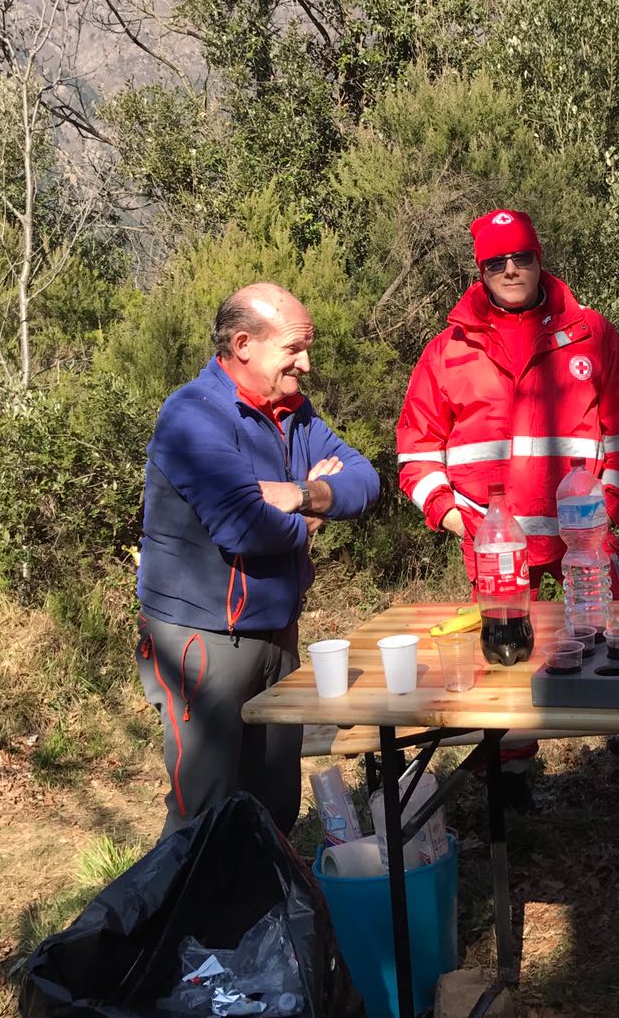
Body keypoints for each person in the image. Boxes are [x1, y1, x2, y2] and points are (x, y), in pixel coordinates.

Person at [397, 208, 619, 834]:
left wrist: (609, 508)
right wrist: (453, 516)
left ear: (539, 256)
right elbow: (417, 451)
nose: (511, 270)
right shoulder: (448, 350)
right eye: (497, 261)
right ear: (481, 268)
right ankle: (508, 787)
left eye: (521, 256)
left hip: (586, 539)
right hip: (496, 546)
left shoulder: (590, 333)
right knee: (504, 663)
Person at [137, 282, 380, 838]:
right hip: (202, 642)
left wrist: (299, 495)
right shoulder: (193, 416)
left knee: (274, 804)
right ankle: (191, 923)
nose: (307, 363)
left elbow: (366, 481)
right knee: (205, 813)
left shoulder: (292, 411)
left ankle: (269, 919)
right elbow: (243, 525)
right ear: (244, 344)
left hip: (277, 635)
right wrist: (314, 514)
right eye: (294, 348)